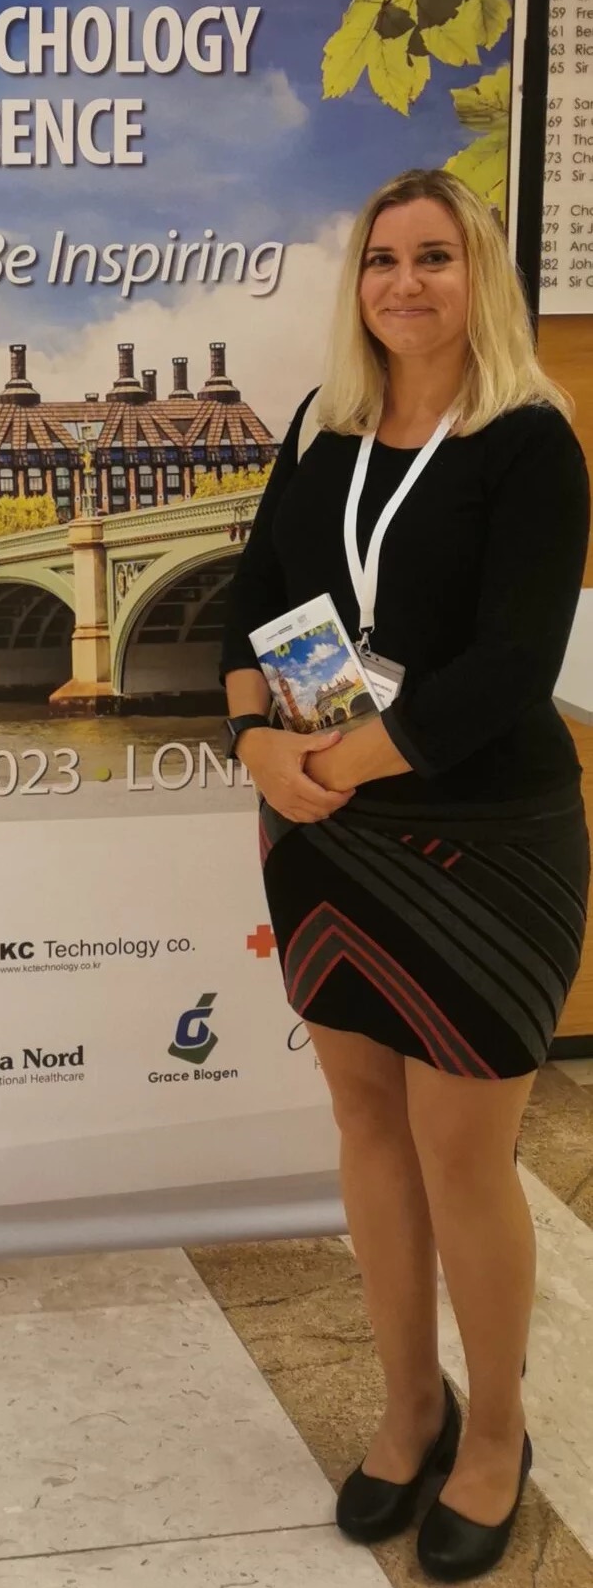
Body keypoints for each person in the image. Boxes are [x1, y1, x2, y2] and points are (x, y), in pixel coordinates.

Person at [220, 168, 589, 1583]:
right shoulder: (322, 428)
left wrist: (338, 762)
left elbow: (511, 664)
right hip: (319, 834)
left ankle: (494, 1427)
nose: (404, 283)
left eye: (434, 257)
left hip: (479, 840)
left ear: (476, 276)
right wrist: (255, 739)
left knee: (462, 1155)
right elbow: (253, 589)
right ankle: (408, 1402)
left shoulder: (529, 442)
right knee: (364, 1124)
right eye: (382, 259)